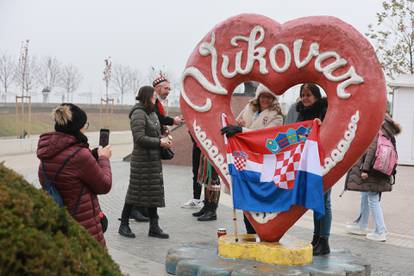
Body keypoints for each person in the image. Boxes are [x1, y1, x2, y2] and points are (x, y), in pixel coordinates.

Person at [37, 103, 112, 246]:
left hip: (61, 225)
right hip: (84, 227)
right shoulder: (80, 155)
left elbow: (67, 168)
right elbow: (104, 186)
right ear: (78, 128)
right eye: (85, 124)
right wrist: (104, 158)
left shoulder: (46, 154)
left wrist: (92, 155)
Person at [118, 85, 171, 239]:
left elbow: (154, 133)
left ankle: (154, 227)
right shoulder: (138, 113)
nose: (156, 100)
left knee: (153, 192)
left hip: (153, 160)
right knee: (134, 193)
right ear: (147, 97)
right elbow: (139, 138)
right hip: (141, 161)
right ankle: (124, 225)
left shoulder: (152, 113)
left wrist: (163, 136)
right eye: (154, 97)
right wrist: (160, 142)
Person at [344, 113, 400, 242]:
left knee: (373, 199)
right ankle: (362, 225)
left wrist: (365, 169)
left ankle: (381, 230)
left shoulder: (379, 127)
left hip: (372, 170)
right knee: (366, 195)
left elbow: (371, 149)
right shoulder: (389, 132)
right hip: (381, 170)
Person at [236, 84, 284, 234]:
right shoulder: (249, 107)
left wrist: (242, 130)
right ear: (259, 96)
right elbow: (237, 122)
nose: (266, 99)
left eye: (270, 97)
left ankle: (258, 231)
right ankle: (249, 232)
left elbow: (265, 137)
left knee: (257, 198)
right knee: (245, 196)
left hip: (261, 162)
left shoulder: (277, 116)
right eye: (264, 96)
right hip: (245, 159)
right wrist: (239, 125)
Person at [294, 83, 330, 256]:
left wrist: (320, 125)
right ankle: (316, 237)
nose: (305, 98)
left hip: (323, 160)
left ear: (316, 96)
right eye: (303, 95)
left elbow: (329, 131)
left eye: (308, 95)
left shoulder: (325, 110)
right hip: (307, 162)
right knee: (316, 200)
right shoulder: (301, 113)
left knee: (324, 200)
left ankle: (324, 240)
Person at [181, 134, 204, 209]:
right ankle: (196, 199)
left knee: (210, 174)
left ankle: (208, 202)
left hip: (209, 145)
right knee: (196, 172)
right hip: (197, 145)